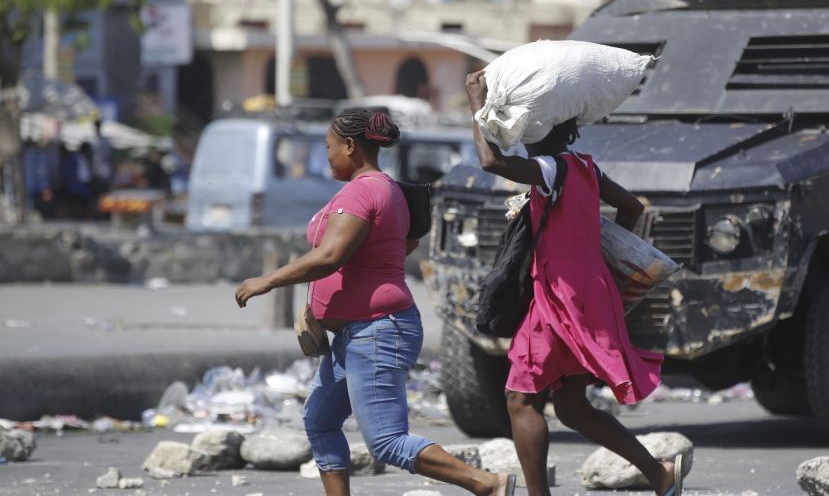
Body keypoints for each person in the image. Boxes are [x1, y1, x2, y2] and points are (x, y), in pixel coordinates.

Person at [234, 107, 516, 496]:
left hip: (379, 330)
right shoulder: (387, 189)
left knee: (386, 440)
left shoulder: (364, 190)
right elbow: (401, 244)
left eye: (329, 147)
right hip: (357, 332)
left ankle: (488, 484)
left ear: (350, 146)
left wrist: (267, 281)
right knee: (320, 420)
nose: (327, 155)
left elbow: (330, 256)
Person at [465, 70, 683, 496]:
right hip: (590, 295)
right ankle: (660, 474)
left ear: (540, 130)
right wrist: (595, 247)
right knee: (572, 406)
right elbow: (632, 207)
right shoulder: (584, 167)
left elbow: (490, 161)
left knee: (521, 400)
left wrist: (477, 105)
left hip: (558, 299)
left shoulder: (548, 168)